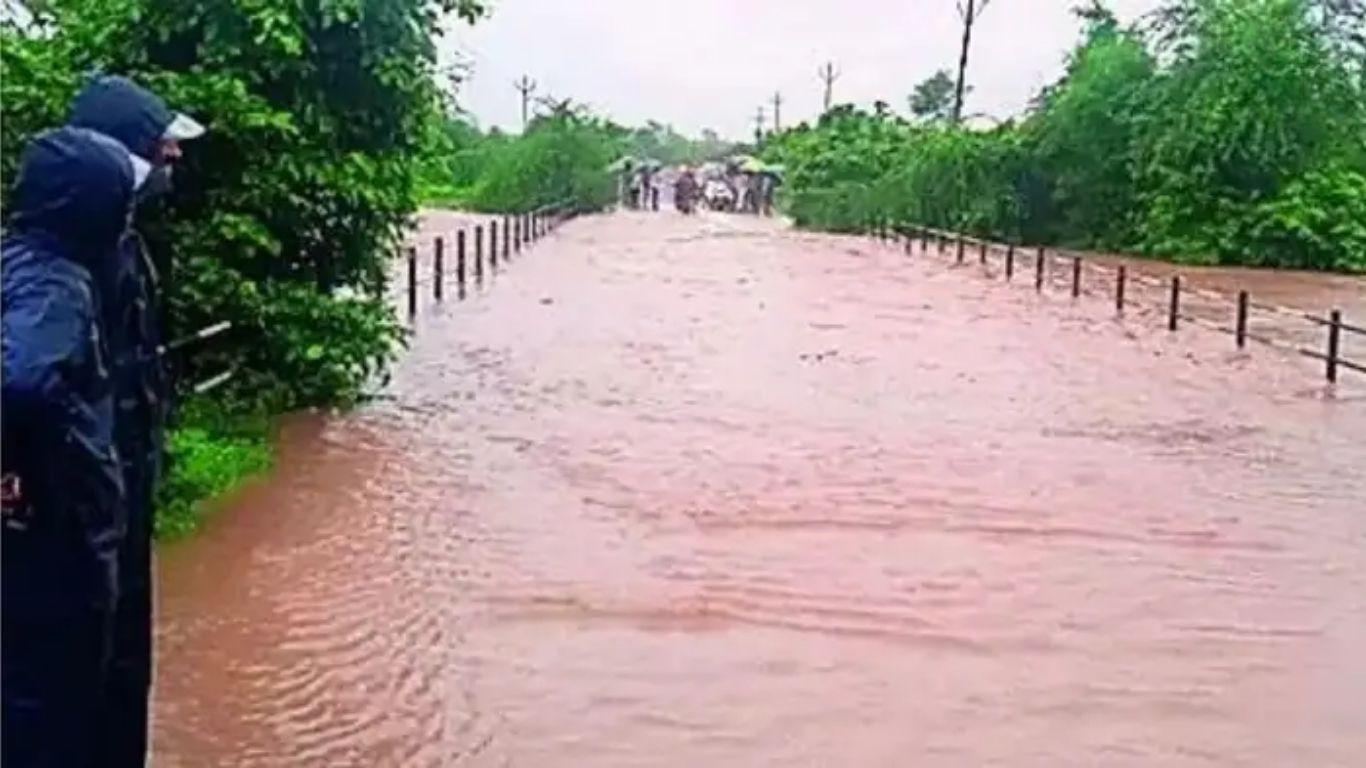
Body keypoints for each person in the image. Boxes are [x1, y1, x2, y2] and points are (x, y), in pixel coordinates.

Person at [66, 73, 205, 767]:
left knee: (124, 666)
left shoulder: (123, 240)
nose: (173, 158)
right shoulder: (68, 257)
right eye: (160, 144)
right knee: (74, 680)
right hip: (82, 509)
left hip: (126, 494)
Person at [2, 126, 149, 768]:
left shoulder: (13, 260)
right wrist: (26, 464)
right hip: (59, 547)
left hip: (37, 543)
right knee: (54, 717)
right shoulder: (60, 284)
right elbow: (24, 380)